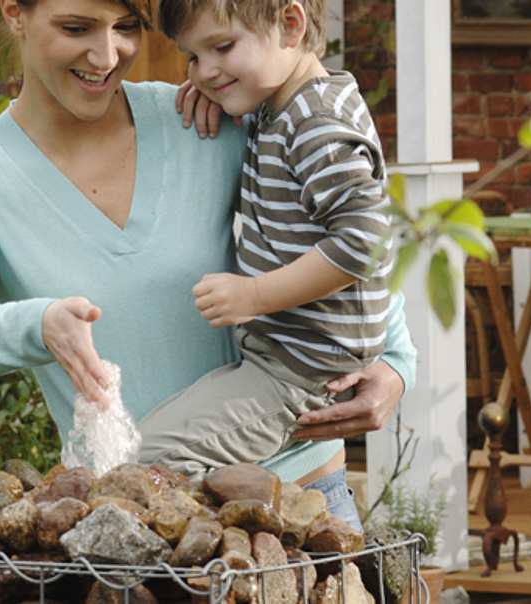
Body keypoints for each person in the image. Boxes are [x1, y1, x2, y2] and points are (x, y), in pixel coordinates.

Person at [0, 0, 416, 531]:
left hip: (298, 501)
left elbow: (345, 233)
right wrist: (39, 325)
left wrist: (398, 362)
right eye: (76, 28)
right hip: (141, 525)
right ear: (14, 13)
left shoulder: (201, 116)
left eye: (126, 28)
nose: (107, 55)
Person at [137, 0, 394, 482]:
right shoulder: (282, 104)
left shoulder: (314, 123)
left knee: (151, 456)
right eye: (192, 56)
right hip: (287, 360)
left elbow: (365, 241)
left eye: (222, 47)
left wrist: (255, 294)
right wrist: (221, 89)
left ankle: (253, 532)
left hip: (300, 373)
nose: (205, 71)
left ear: (290, 25)